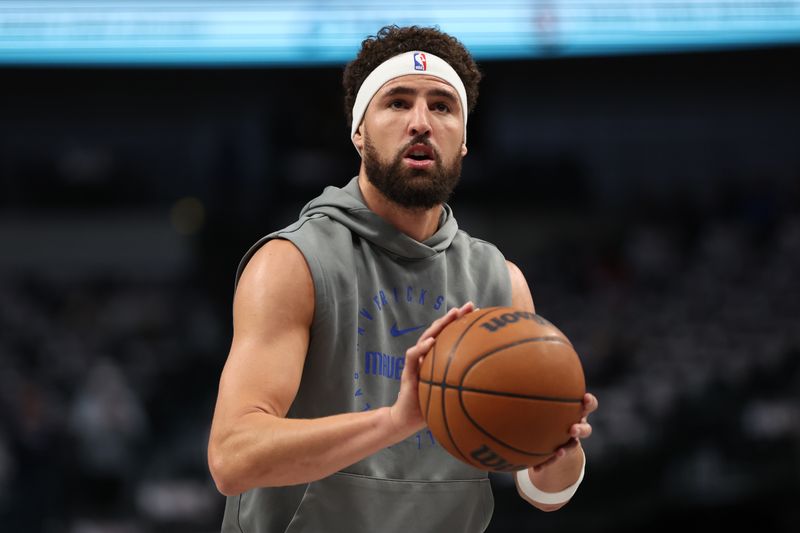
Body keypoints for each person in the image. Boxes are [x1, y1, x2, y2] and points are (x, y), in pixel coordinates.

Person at [207, 24, 598, 532]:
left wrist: (557, 452)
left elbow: (542, 493)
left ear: (463, 141)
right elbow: (233, 459)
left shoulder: (499, 281)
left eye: (441, 105)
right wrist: (395, 421)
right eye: (397, 102)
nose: (421, 122)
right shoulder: (292, 262)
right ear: (358, 131)